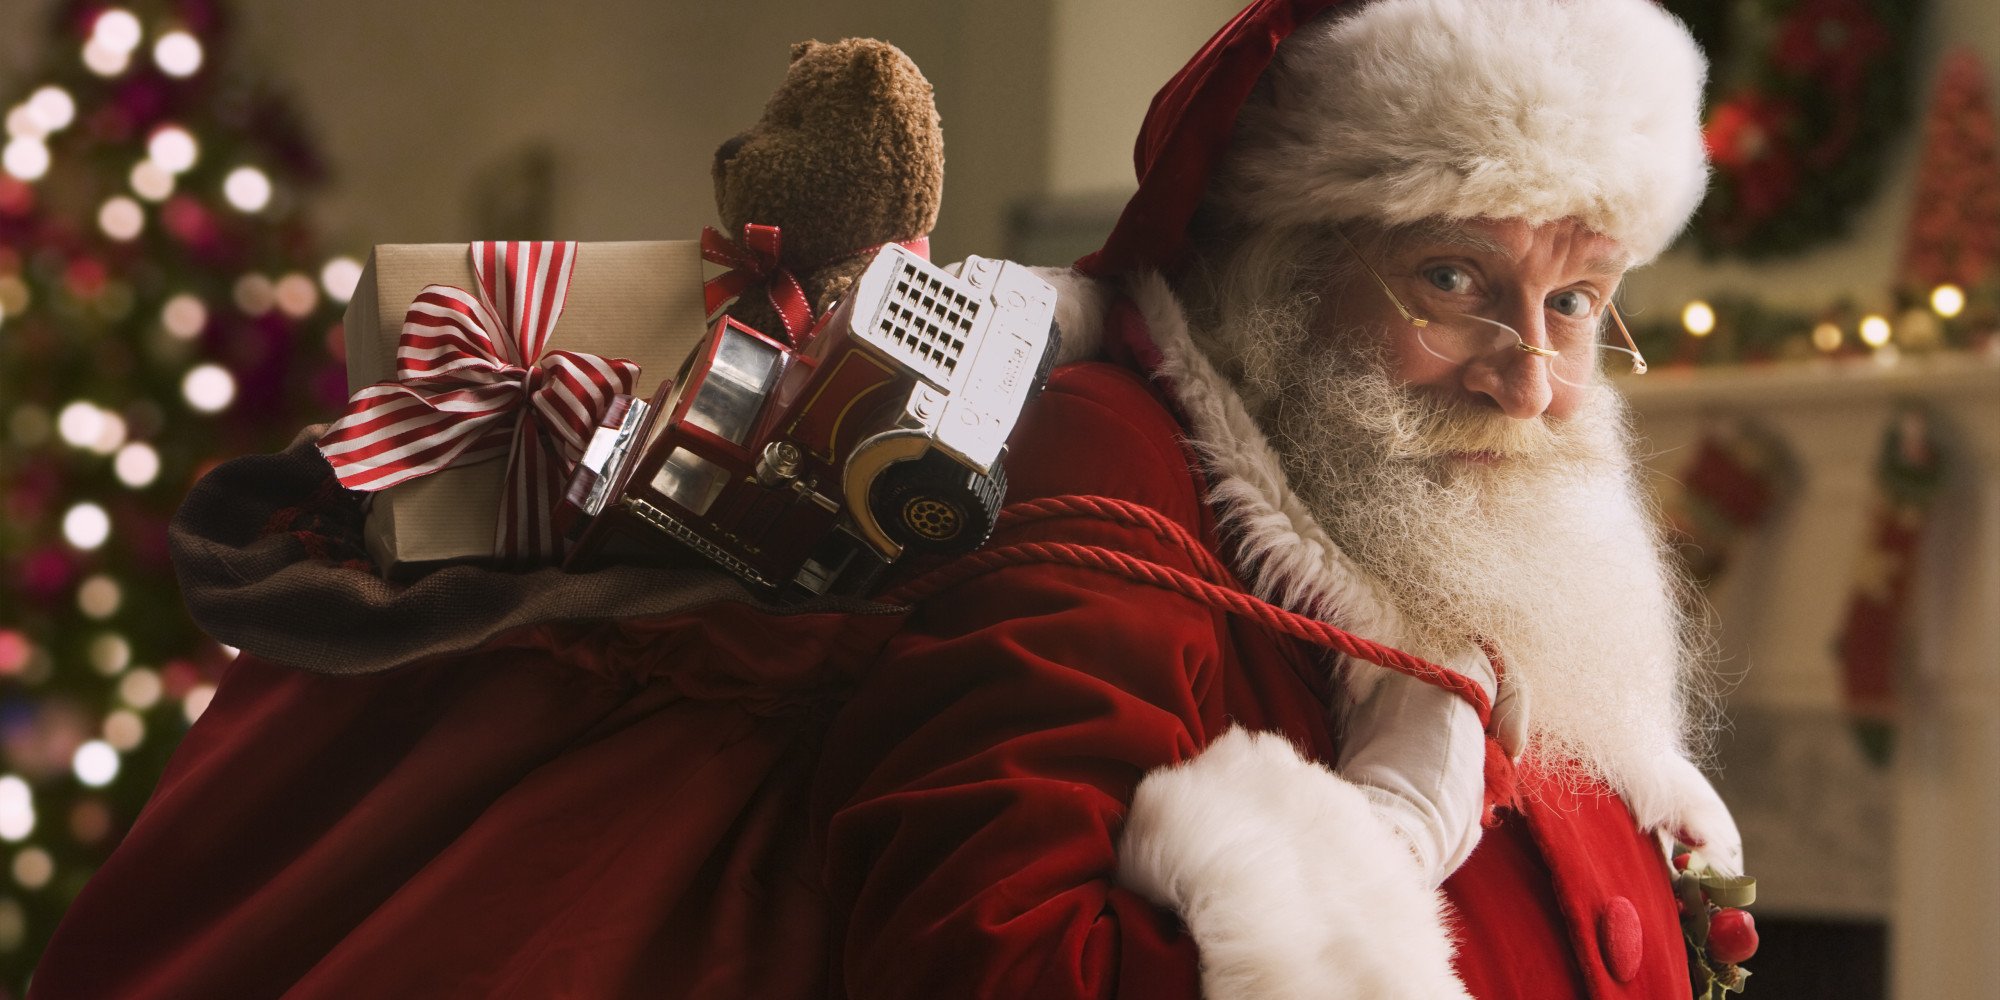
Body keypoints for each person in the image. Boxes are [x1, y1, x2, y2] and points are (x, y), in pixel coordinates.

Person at [35, 1, 1743, 998]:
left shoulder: (1420, 546)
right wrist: (1320, 903)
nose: (1534, 375)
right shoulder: (1112, 489)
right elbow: (993, 954)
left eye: (1576, 300)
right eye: (1455, 280)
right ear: (1283, 278)